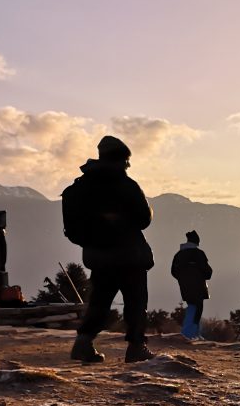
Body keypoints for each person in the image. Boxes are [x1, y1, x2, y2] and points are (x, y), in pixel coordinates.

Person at [64, 135, 155, 363]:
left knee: (99, 303)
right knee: (136, 302)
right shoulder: (126, 185)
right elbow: (144, 219)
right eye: (127, 160)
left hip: (100, 256)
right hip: (129, 255)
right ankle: (136, 348)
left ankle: (83, 343)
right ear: (122, 159)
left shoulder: (82, 186)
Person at [171, 230, 213, 339]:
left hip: (185, 286)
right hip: (198, 285)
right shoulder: (199, 254)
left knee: (192, 306)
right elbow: (207, 271)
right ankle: (190, 333)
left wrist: (182, 279)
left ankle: (193, 332)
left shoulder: (179, 254)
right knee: (197, 308)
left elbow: (173, 271)